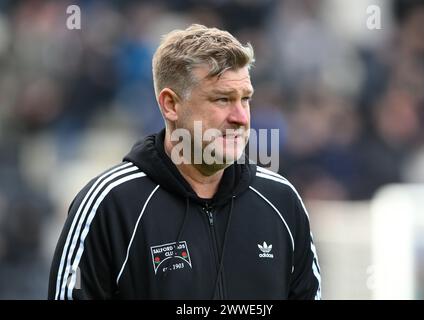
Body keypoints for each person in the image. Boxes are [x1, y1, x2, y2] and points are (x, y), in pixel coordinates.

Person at [48, 24, 321, 300]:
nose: (241, 117)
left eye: (245, 99)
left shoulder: (282, 201)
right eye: (222, 99)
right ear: (170, 105)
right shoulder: (109, 205)